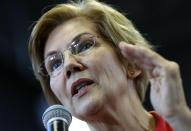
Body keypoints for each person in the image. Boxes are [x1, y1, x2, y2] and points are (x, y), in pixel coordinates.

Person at [28, 0, 191, 130]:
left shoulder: (181, 124)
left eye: (84, 46)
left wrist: (178, 118)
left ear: (131, 62)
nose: (69, 65)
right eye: (55, 64)